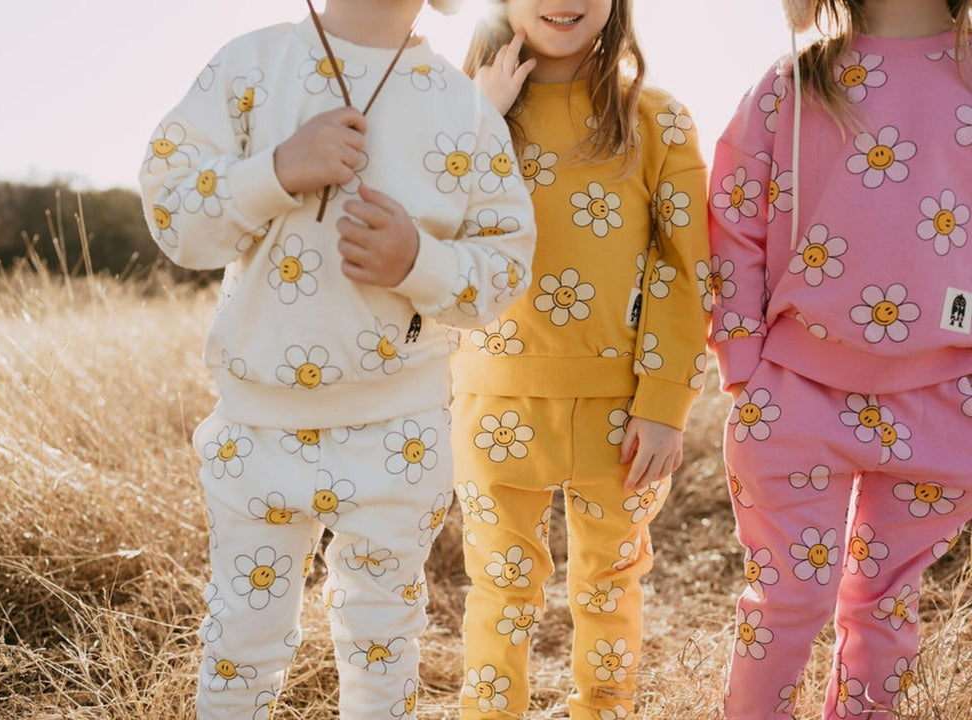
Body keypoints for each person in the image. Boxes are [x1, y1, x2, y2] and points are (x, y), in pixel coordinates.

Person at [138, 0, 536, 717]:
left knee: (382, 648)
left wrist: (418, 262)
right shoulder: (251, 65)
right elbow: (174, 218)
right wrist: (275, 170)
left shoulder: (464, 107)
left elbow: (505, 265)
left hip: (399, 434)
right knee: (240, 647)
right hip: (256, 431)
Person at [710, 0, 972, 717]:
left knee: (885, 607)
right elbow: (734, 214)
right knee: (787, 602)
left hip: (947, 396)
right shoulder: (792, 83)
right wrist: (744, 360)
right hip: (794, 390)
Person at [452, 1, 710, 716]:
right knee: (500, 590)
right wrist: (475, 119)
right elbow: (425, 226)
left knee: (608, 587)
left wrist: (666, 403)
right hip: (494, 402)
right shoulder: (458, 111)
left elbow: (683, 269)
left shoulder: (656, 118)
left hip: (621, 411)